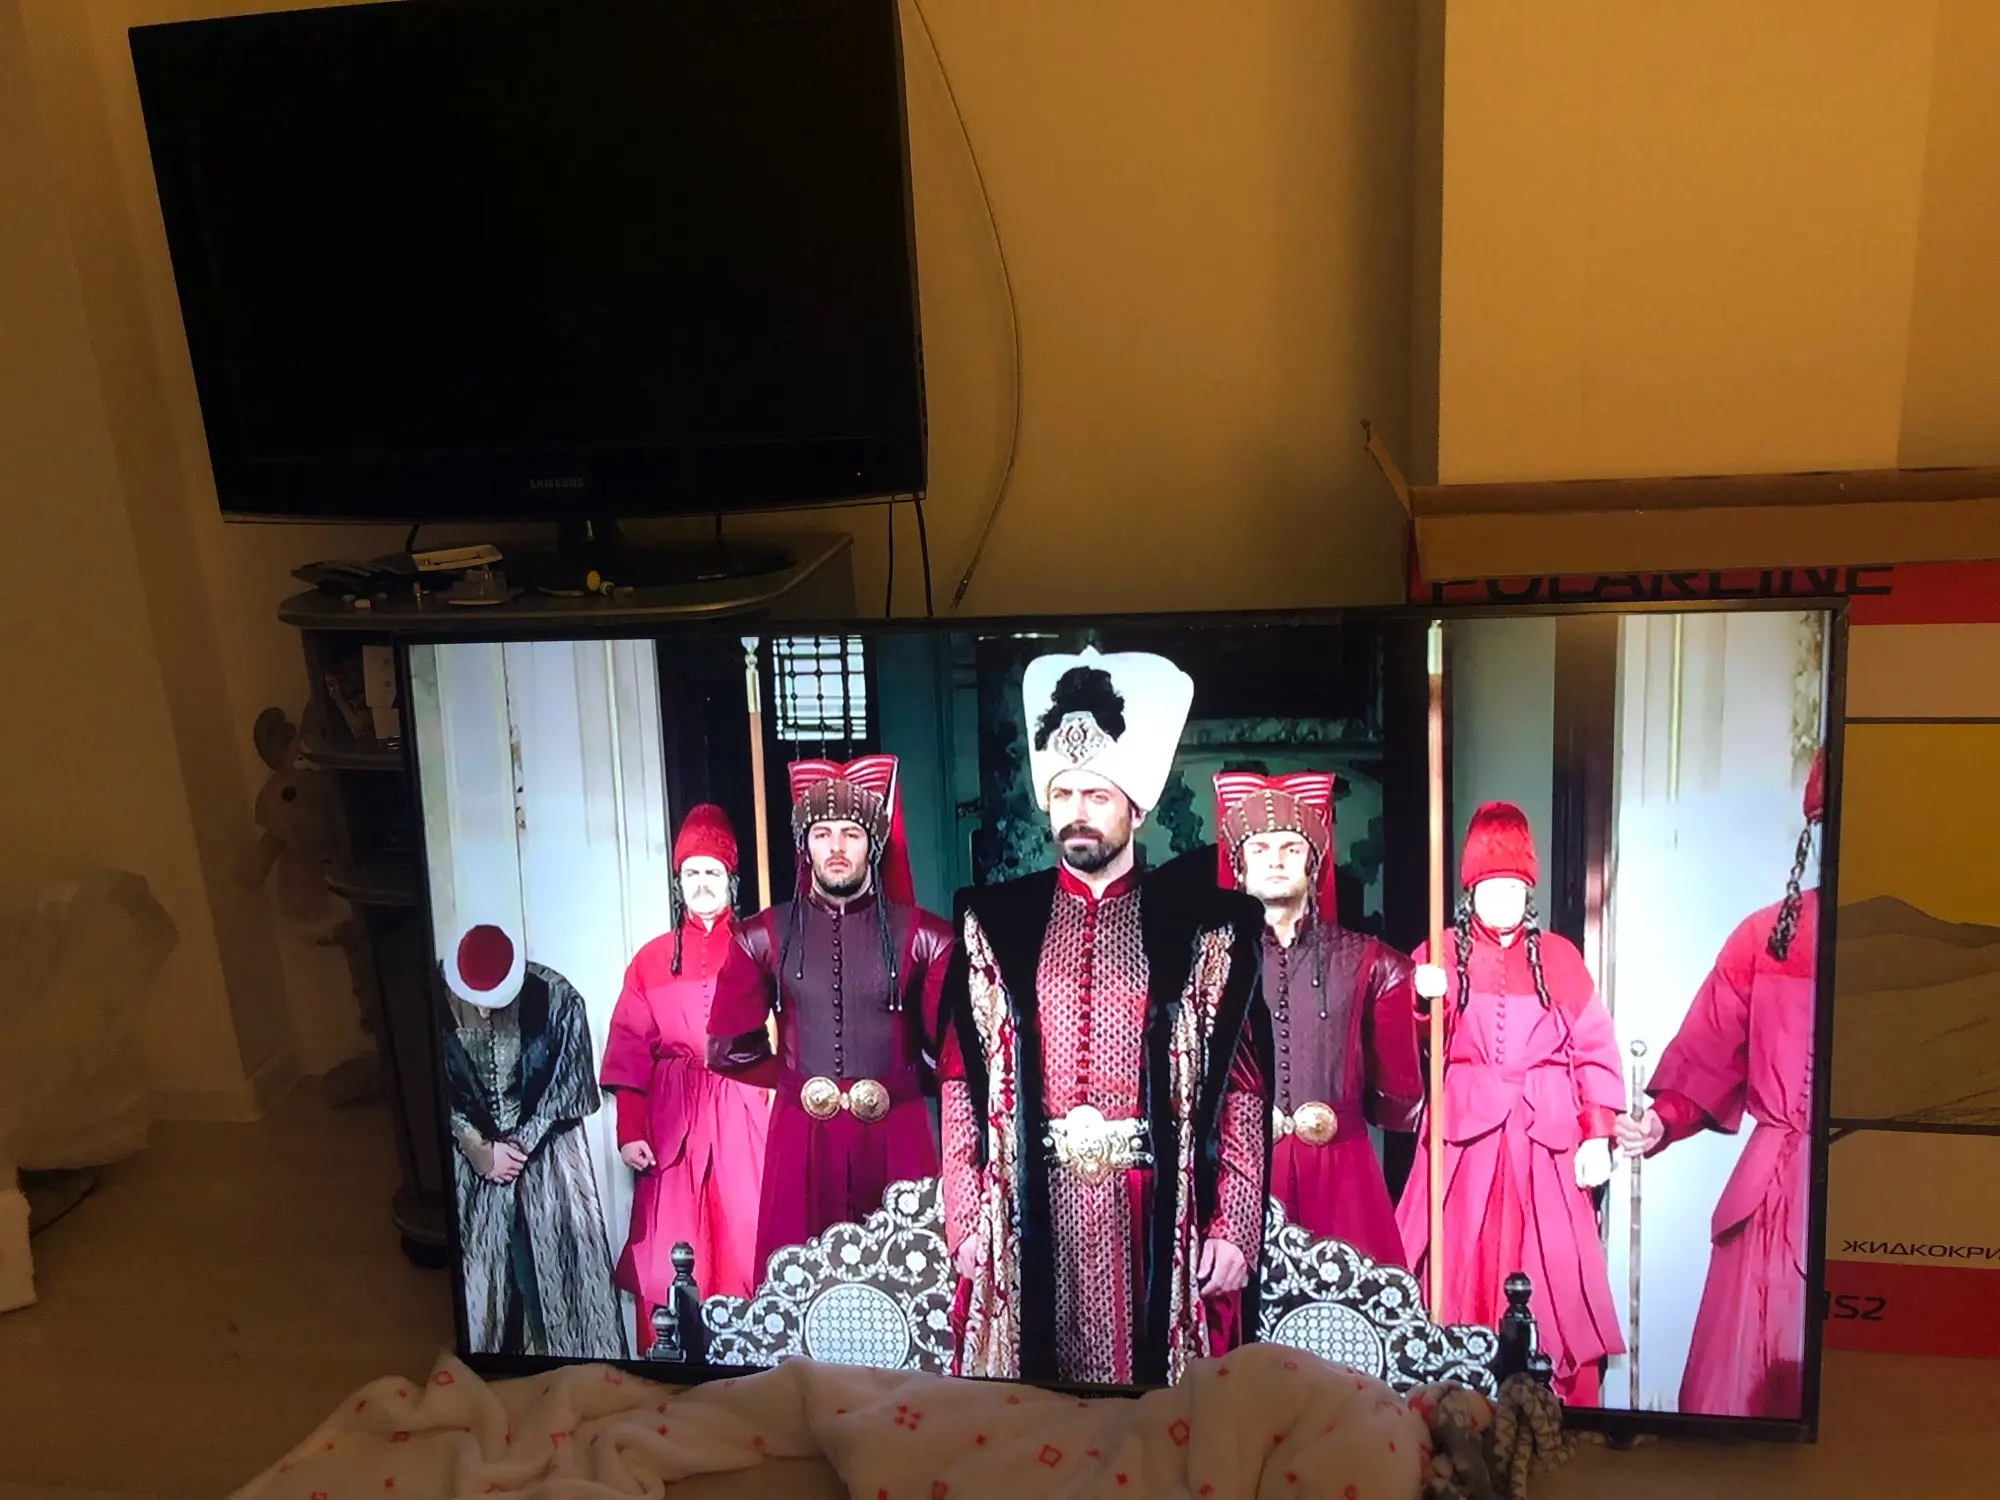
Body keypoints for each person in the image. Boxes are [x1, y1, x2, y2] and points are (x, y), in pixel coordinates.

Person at [938, 646, 1271, 1387]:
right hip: (1029, 1210)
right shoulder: (995, 922)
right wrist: (964, 1212)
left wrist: (1234, 1222)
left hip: (1153, 1212)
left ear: (1137, 808)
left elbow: (1241, 1088)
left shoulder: (1203, 928)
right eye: (1063, 794)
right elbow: (961, 1077)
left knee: (1148, 1425)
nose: (1078, 812)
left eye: (1097, 795)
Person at [1614, 750, 1825, 1418]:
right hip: (1770, 1198)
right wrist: (1663, 1118)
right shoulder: (1763, 937)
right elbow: (1709, 1050)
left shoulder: (1911, 940)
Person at [1395, 801, 1626, 1406]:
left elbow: (1593, 1047)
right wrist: (1420, 1004)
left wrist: (1597, 1131)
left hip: (1545, 1146)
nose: (1503, 899)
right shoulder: (1439, 952)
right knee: (1454, 1274)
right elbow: (1404, 1052)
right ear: (1470, 890)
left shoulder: (1561, 958)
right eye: (1491, 887)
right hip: (1464, 1147)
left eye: (1514, 887)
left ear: (1530, 891)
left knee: (1552, 1280)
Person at [705, 754, 952, 1281]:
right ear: (805, 845)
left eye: (851, 834)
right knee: (799, 1291)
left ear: (873, 844)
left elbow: (947, 1055)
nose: (836, 848)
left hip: (897, 1137)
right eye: (822, 834)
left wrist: (903, 1081)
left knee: (906, 1287)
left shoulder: (929, 939)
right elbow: (727, 1049)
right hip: (801, 1142)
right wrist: (798, 1081)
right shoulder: (759, 937)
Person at [1214, 770, 1422, 1269]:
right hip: (1239, 1182)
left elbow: (1398, 1105)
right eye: (1260, 849)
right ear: (1239, 864)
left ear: (1314, 861)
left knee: (1350, 1311)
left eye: (1291, 848)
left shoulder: (1373, 962)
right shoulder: (1209, 961)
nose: (1276, 861)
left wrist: (1420, 1007)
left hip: (1344, 1181)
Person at [600, 803, 772, 1349]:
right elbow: (629, 1047)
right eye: (691, 872)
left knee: (747, 1233)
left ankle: (751, 1364)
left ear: (731, 879)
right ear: (679, 882)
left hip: (743, 1106)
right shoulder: (650, 960)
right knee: (672, 1242)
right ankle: (674, 1367)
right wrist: (630, 1129)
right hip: (673, 1116)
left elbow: (794, 1033)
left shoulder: (760, 945)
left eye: (712, 872)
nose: (702, 883)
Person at [439, 920, 627, 1359]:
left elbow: (571, 1087)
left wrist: (516, 1150)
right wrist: (478, 1149)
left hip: (546, 1158)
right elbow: (431, 1085)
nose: (485, 1012)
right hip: (471, 1162)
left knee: (554, 1283)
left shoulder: (558, 997)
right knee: (486, 1293)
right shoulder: (432, 995)